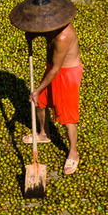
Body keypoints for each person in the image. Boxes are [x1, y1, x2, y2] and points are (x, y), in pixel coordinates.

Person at [23, 23, 83, 175]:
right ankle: (44, 134)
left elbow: (57, 69)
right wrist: (34, 35)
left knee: (67, 118)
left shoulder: (63, 36)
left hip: (66, 74)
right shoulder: (51, 27)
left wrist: (38, 89)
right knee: (40, 103)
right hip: (53, 68)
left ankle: (73, 153)